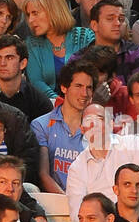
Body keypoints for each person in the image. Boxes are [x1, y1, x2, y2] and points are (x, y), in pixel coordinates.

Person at [65, 103, 139, 214]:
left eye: (100, 119)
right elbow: (77, 213)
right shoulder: (77, 168)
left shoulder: (133, 145)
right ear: (82, 129)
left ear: (110, 124)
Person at [33, 60, 95, 193]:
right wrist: (68, 202)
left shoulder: (97, 130)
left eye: (89, 88)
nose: (84, 93)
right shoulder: (41, 125)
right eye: (78, 86)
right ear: (64, 87)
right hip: (55, 204)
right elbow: (43, 175)